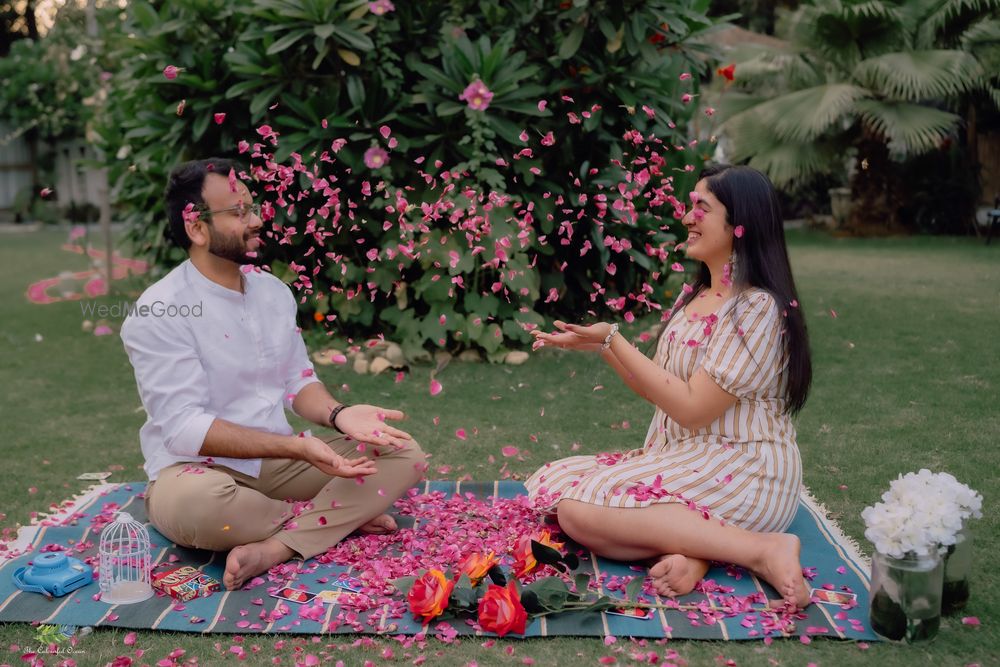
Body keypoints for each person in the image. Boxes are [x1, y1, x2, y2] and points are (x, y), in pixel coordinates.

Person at [121, 158, 426, 590]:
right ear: (196, 228)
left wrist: (341, 415)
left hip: (276, 465)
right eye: (238, 212)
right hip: (195, 472)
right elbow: (184, 430)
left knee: (402, 452)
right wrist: (298, 449)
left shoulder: (272, 291)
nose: (257, 220)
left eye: (253, 207)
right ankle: (335, 517)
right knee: (202, 506)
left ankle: (278, 545)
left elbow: (297, 383)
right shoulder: (161, 309)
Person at [527, 164, 813, 608]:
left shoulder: (756, 308)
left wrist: (613, 337)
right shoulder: (693, 297)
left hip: (746, 470)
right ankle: (695, 552)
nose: (687, 216)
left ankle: (763, 549)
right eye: (689, 205)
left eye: (702, 207)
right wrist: (602, 346)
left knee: (578, 511)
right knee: (554, 483)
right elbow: (657, 389)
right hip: (685, 458)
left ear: (741, 223)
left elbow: (693, 409)